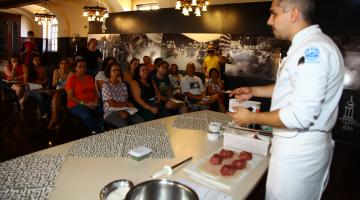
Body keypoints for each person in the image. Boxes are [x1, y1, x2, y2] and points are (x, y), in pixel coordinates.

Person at [228, 0, 345, 199]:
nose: (268, 20)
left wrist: (251, 118)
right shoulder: (307, 46)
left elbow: (300, 115)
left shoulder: (313, 51)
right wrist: (253, 90)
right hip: (296, 145)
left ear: (293, 14)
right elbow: (292, 88)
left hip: (299, 150)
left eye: (273, 13)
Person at [65, 59, 102, 133]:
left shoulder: (89, 78)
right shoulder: (72, 79)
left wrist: (95, 101)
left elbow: (95, 93)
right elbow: (70, 97)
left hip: (91, 103)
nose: (82, 68)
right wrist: (85, 104)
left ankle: (99, 128)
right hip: (76, 104)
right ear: (75, 68)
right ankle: (96, 131)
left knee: (106, 111)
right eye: (80, 67)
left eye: (84, 67)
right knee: (87, 116)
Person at [102, 63, 144, 128]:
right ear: (109, 72)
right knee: (123, 125)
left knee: (140, 120)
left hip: (124, 108)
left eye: (118, 70)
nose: (117, 72)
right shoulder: (106, 85)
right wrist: (126, 105)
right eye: (114, 70)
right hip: (110, 111)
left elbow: (125, 100)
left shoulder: (123, 85)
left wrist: (128, 106)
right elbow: (112, 103)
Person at [47, 58, 73, 129]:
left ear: (68, 65)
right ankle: (56, 120)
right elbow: (53, 85)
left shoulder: (71, 73)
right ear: (59, 65)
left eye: (66, 64)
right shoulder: (56, 71)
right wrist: (57, 79)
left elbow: (66, 87)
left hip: (67, 92)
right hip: (57, 92)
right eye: (62, 63)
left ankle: (53, 120)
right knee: (56, 97)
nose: (64, 65)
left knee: (56, 96)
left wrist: (55, 91)